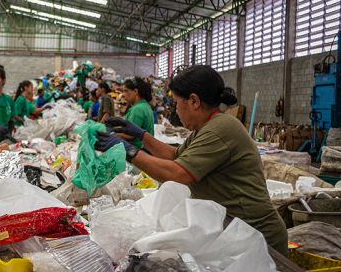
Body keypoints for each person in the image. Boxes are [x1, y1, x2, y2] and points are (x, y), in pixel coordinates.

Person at [95, 65, 288, 255]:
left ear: (194, 101)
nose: (176, 110)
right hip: (236, 231)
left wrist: (129, 151)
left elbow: (177, 173)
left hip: (258, 236)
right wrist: (141, 135)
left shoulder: (220, 129)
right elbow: (175, 156)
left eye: (177, 103)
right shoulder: (207, 127)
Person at [120, 77, 154, 149]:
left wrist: (112, 134)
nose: (123, 94)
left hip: (137, 150)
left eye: (126, 91)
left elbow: (130, 135)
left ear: (135, 91)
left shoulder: (138, 109)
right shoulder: (144, 105)